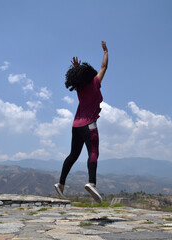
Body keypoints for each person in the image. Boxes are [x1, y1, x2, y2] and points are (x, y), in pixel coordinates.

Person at [54, 41, 108, 203]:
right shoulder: (94, 83)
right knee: (93, 152)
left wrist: (77, 68)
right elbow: (104, 67)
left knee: (73, 155)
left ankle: (61, 184)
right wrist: (106, 51)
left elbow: (80, 76)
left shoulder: (79, 88)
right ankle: (92, 183)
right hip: (89, 124)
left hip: (76, 125)